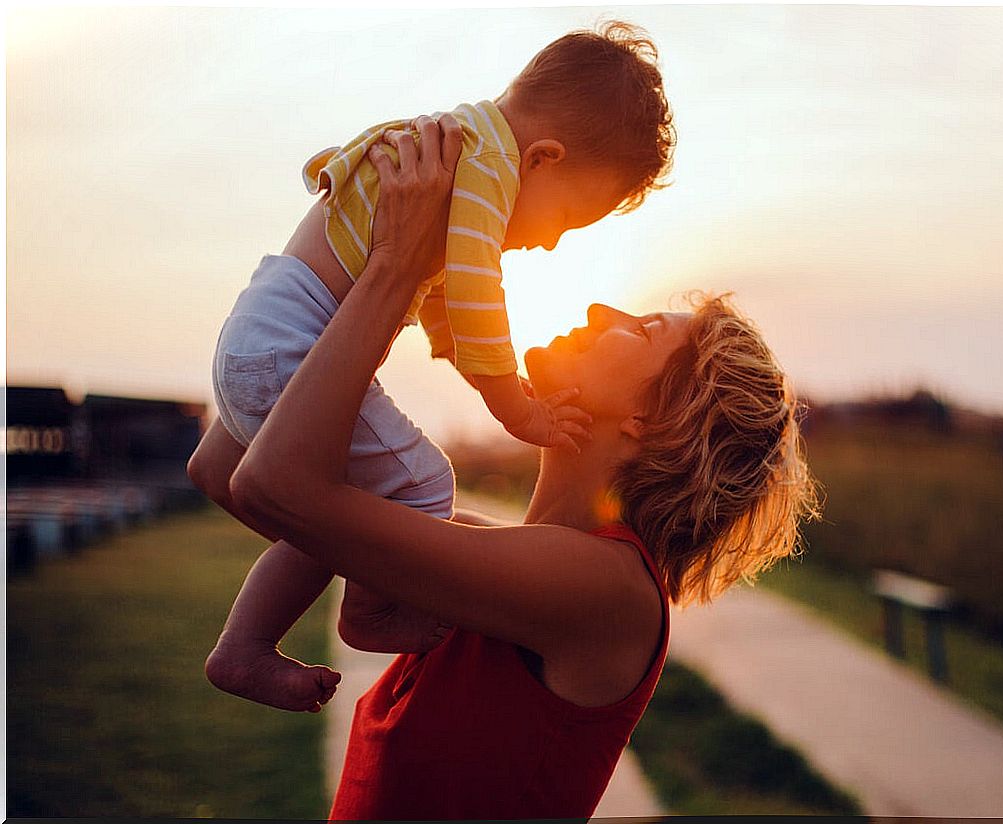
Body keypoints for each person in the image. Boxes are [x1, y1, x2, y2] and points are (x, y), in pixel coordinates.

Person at [190, 114, 818, 818]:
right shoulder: (486, 553)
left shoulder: (604, 589)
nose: (601, 307)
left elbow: (274, 486)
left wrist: (399, 265)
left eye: (641, 330)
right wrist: (335, 265)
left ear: (650, 420)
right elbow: (226, 469)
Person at [200, 21, 676, 713]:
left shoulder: (454, 144)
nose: (548, 245)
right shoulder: (483, 170)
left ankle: (247, 643)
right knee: (423, 480)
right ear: (542, 158)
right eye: (568, 219)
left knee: (344, 508)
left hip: (257, 333)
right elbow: (478, 291)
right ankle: (367, 614)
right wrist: (513, 403)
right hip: (291, 346)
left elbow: (446, 304)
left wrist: (469, 368)